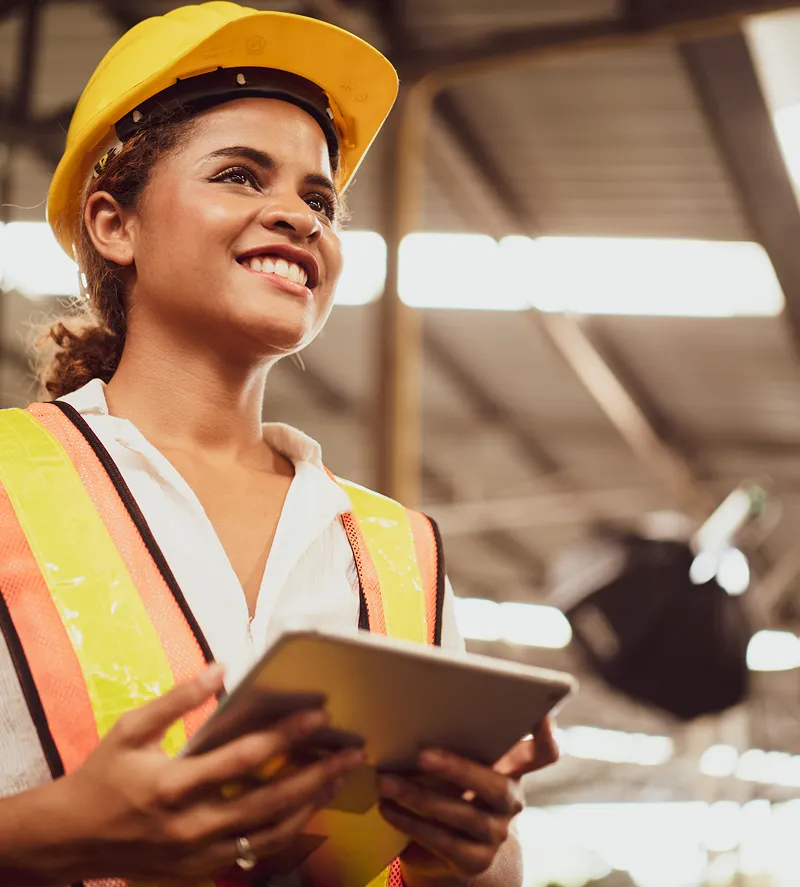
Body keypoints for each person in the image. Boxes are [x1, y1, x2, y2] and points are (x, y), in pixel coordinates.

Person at [0, 3, 558, 886]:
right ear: (115, 224)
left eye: (318, 197)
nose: (298, 218)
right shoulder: (5, 482)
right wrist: (47, 832)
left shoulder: (400, 549)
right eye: (239, 174)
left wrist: (476, 857)